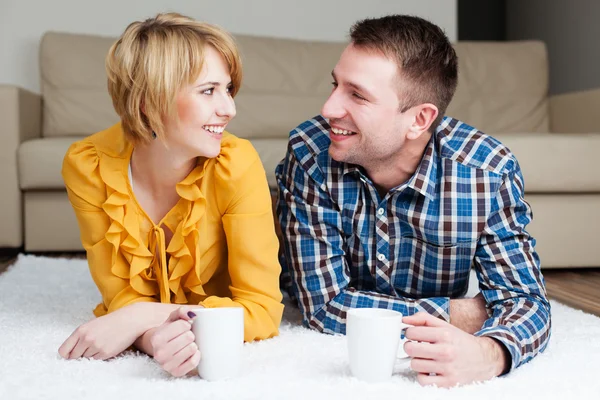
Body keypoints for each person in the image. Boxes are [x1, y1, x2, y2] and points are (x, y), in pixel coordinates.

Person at [276, 15, 551, 387]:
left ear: (419, 119)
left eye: (357, 94)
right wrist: (463, 313)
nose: (329, 108)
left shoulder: (487, 172)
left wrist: (489, 354)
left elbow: (527, 302)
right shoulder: (310, 153)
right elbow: (323, 307)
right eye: (335, 85)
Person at [59, 13, 283, 377]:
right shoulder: (88, 167)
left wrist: (141, 316)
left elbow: (262, 309)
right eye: (208, 90)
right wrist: (150, 338)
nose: (229, 109)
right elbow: (119, 295)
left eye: (228, 89)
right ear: (149, 101)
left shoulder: (236, 164)